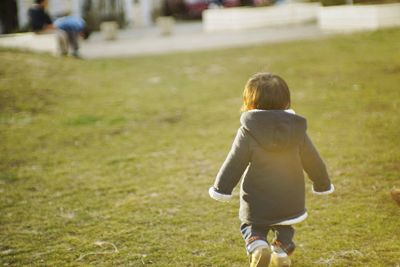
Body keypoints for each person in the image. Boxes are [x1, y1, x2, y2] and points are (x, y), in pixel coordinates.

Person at [208, 73, 334, 267]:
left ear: (250, 103)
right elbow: (313, 159)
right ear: (286, 101)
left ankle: (258, 245)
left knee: (253, 225)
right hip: (289, 196)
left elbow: (234, 162)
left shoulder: (248, 130)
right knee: (284, 224)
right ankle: (281, 250)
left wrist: (221, 189)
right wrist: (322, 184)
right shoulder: (296, 130)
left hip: (257, 196)